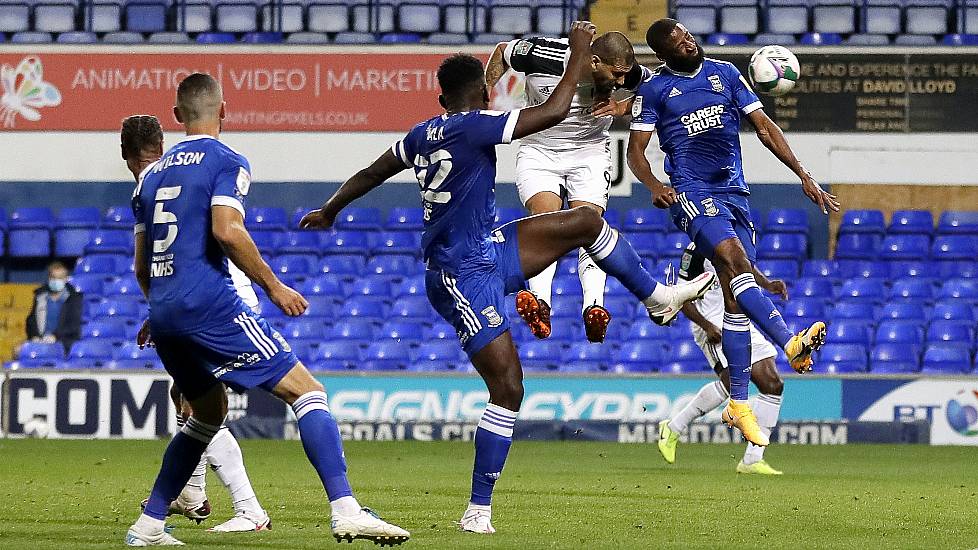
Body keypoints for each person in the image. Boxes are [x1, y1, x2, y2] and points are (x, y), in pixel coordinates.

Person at [299, 21, 715, 535]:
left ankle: (656, 298)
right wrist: (580, 50)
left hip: (488, 248)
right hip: (458, 274)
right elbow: (555, 111)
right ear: (479, 92)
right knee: (509, 387)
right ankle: (477, 511)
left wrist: (329, 209)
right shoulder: (476, 124)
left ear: (440, 95)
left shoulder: (420, 134)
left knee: (586, 221)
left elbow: (371, 172)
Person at [124, 74, 408, 546]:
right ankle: (346, 510)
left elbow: (141, 264)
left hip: (165, 312)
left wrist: (161, 308)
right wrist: (274, 287)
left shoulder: (149, 176)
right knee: (307, 391)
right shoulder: (227, 160)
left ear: (176, 117)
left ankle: (149, 525)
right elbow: (227, 230)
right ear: (225, 111)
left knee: (205, 415)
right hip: (210, 304)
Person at [626, 18, 839, 447]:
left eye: (689, 35)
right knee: (734, 262)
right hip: (692, 189)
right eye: (679, 42)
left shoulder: (725, 73)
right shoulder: (653, 92)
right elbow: (635, 152)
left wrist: (805, 175)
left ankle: (739, 403)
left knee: (734, 300)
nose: (689, 42)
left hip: (735, 193)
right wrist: (655, 186)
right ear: (664, 55)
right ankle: (790, 342)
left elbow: (765, 128)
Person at [121, 114, 272, 533]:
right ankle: (193, 492)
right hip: (216, 292)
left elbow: (143, 265)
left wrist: (161, 309)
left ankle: (250, 510)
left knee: (202, 404)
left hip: (218, 296)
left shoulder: (149, 185)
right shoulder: (183, 171)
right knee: (183, 393)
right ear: (162, 141)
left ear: (123, 151)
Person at [485, 31, 647, 343]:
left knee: (589, 223)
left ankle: (594, 308)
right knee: (545, 216)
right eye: (615, 75)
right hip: (539, 148)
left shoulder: (628, 74)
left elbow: (655, 90)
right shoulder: (541, 55)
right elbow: (503, 52)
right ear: (594, 61)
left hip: (589, 150)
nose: (618, 83)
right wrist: (483, 95)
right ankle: (540, 303)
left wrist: (622, 108)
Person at [657, 243, 787, 475]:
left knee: (773, 384)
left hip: (737, 318)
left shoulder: (733, 238)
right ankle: (674, 427)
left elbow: (742, 267)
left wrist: (766, 284)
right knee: (732, 384)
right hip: (711, 322)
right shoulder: (695, 250)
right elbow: (680, 298)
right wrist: (707, 326)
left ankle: (752, 459)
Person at [26, 261, 83, 354]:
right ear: (49, 278)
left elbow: (73, 326)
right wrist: (34, 336)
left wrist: (55, 336)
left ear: (66, 279)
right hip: (39, 341)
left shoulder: (74, 299)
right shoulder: (40, 297)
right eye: (53, 278)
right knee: (18, 351)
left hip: (64, 343)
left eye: (60, 278)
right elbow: (31, 321)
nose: (56, 281)